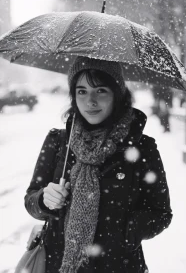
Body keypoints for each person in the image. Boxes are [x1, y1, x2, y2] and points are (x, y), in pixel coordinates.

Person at [24, 57, 173, 273]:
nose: (90, 101)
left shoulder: (142, 148)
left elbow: (161, 212)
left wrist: (125, 231)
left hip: (119, 266)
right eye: (82, 91)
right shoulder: (59, 142)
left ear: (118, 95)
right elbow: (31, 200)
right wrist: (43, 200)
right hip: (58, 264)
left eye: (100, 90)